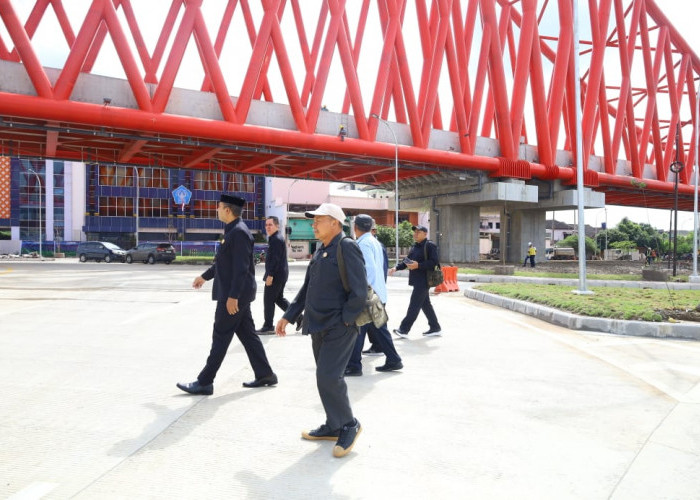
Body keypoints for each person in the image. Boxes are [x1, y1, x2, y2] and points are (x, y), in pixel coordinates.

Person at [275, 203, 366, 458]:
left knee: (329, 377)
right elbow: (307, 289)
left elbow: (359, 290)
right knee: (323, 377)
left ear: (335, 223)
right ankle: (333, 424)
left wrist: (346, 320)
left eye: (319, 220)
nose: (313, 225)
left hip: (339, 326)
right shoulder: (320, 250)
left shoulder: (346, 246)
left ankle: (349, 424)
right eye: (313, 221)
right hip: (318, 325)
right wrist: (288, 315)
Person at [177, 194, 277, 396]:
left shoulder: (238, 233)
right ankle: (265, 374)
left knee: (220, 336)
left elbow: (241, 269)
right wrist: (205, 277)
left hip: (233, 296)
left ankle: (205, 382)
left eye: (219, 207)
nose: (217, 210)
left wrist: (233, 297)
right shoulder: (232, 231)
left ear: (228, 210)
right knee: (249, 337)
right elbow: (224, 263)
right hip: (236, 293)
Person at [345, 214, 403, 376]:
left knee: (359, 329)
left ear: (355, 227)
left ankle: (354, 366)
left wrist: (361, 293)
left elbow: (368, 270)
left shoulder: (363, 244)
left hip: (368, 294)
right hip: (377, 293)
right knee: (379, 328)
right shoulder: (374, 242)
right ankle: (393, 359)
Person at [389, 225, 442, 338]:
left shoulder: (430, 245)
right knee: (425, 304)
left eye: (418, 232)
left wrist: (419, 265)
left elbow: (434, 262)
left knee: (414, 305)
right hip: (417, 280)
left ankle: (404, 329)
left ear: (425, 234)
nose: (415, 234)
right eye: (415, 232)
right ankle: (435, 327)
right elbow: (407, 261)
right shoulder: (415, 247)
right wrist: (396, 268)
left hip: (424, 280)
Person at [255, 216, 293, 334]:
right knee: (279, 299)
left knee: (268, 300)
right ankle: (299, 318)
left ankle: (268, 326)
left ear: (277, 226)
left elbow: (276, 259)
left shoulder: (276, 239)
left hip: (276, 275)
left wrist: (270, 275)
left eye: (270, 225)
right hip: (281, 274)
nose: (268, 227)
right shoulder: (275, 238)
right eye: (266, 225)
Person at [363, 221, 389, 356]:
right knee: (376, 324)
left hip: (373, 290)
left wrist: (370, 289)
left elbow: (380, 268)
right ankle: (388, 354)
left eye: (373, 231)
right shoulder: (373, 244)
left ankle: (388, 354)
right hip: (375, 289)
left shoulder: (375, 245)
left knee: (375, 324)